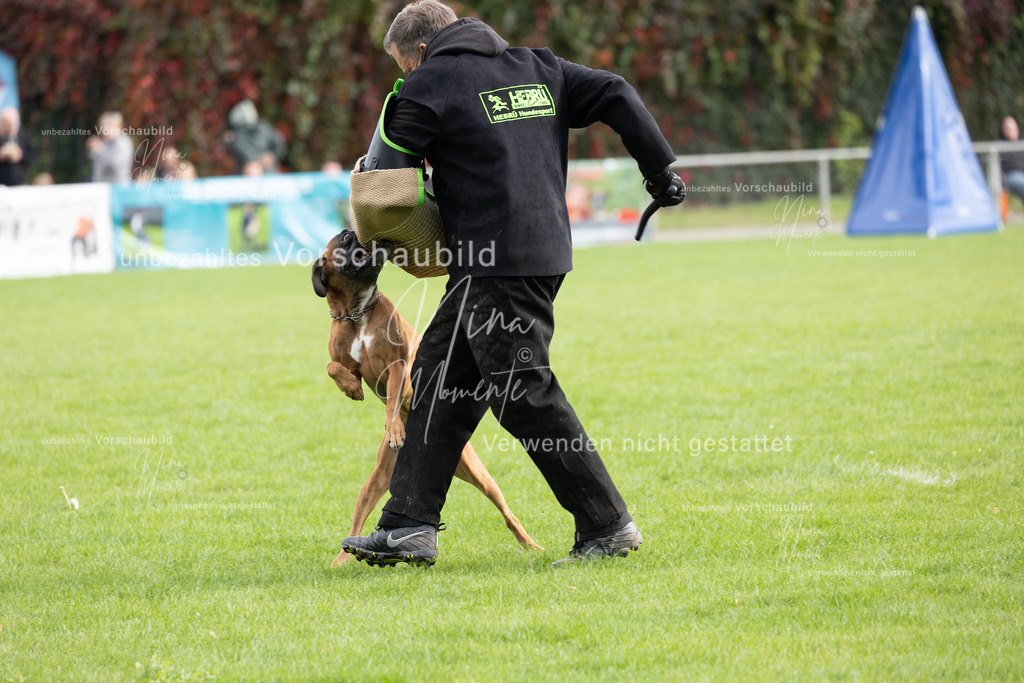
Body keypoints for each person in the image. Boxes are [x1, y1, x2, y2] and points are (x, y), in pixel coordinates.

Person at [340, 0, 684, 567]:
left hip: (495, 263)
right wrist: (658, 168)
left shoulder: (429, 83)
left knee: (522, 390)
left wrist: (401, 106)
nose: (409, 78)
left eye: (406, 67)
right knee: (439, 380)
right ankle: (408, 525)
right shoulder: (539, 68)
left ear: (421, 52)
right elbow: (617, 90)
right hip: (540, 251)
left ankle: (607, 524)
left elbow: (380, 181)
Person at [222, 99, 286, 174]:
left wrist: (272, 156)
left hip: (267, 173)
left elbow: (280, 146)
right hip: (245, 175)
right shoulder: (236, 135)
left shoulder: (264, 129)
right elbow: (229, 149)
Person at [87, 111, 134, 183]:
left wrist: (100, 149)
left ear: (118, 127)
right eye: (103, 126)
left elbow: (115, 165)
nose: (105, 129)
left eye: (109, 125)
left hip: (118, 188)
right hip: (102, 187)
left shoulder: (123, 142)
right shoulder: (104, 142)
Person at [0, 106, 33, 186]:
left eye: (14, 123)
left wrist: (20, 155)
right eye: (8, 123)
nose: (11, 126)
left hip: (18, 183)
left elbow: (32, 157)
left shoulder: (24, 136)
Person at [1000, 116, 1024, 205]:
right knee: (1020, 180)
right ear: (1003, 130)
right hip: (1009, 177)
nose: (1012, 130)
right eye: (1008, 128)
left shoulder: (1021, 144)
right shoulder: (1000, 145)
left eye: (1013, 128)